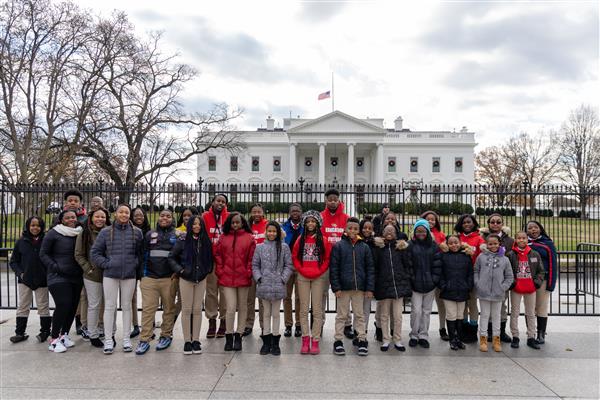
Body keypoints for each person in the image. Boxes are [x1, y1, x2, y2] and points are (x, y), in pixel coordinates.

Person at [91, 204, 143, 355]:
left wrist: (135, 265)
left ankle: (126, 339)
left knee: (127, 307)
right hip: (110, 275)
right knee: (110, 306)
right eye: (121, 212)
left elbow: (140, 253)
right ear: (115, 214)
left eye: (127, 212)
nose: (124, 215)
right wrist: (107, 264)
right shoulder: (106, 232)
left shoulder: (137, 232)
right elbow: (95, 252)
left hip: (129, 275)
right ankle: (108, 340)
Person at [134, 209, 178, 355]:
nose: (164, 218)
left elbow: (179, 256)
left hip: (169, 279)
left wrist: (176, 273)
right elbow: (142, 255)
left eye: (168, 216)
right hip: (150, 278)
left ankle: (166, 335)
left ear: (172, 219)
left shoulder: (177, 235)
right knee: (148, 310)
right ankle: (144, 339)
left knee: (169, 309)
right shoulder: (149, 234)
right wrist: (143, 275)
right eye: (162, 215)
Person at [168, 215, 213, 355]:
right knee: (187, 309)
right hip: (186, 279)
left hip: (201, 279)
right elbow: (171, 257)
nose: (196, 226)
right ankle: (187, 341)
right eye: (194, 224)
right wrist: (181, 271)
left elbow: (210, 259)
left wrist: (206, 271)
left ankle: (196, 340)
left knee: (198, 309)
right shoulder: (182, 240)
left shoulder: (206, 241)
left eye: (199, 224)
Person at [330, 217, 375, 356]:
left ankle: (361, 339)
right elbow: (334, 268)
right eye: (350, 228)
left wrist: (369, 288)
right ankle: (338, 340)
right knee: (342, 316)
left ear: (358, 230)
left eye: (355, 229)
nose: (352, 231)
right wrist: (336, 287)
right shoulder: (339, 246)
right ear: (345, 229)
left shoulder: (364, 247)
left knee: (359, 315)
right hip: (343, 288)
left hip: (359, 288)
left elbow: (370, 268)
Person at [40, 210, 83, 353]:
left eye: (73, 217)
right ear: (61, 220)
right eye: (68, 217)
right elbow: (43, 253)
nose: (71, 219)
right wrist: (55, 266)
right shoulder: (54, 233)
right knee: (63, 304)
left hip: (75, 276)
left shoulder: (79, 232)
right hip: (57, 276)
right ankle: (53, 340)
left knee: (72, 306)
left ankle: (64, 335)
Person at [215, 212, 256, 352]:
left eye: (238, 222)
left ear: (243, 223)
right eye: (233, 223)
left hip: (243, 277)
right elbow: (218, 255)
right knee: (230, 308)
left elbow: (252, 258)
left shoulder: (249, 238)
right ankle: (229, 335)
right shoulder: (223, 237)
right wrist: (220, 271)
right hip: (227, 278)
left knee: (243, 307)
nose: (235, 225)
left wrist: (248, 272)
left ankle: (239, 335)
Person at [252, 221, 294, 356]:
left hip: (278, 285)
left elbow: (288, 265)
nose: (271, 234)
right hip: (264, 285)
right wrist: (259, 278)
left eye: (274, 231)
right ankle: (266, 340)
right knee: (265, 313)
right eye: (269, 231)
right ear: (266, 232)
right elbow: (255, 265)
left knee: (276, 313)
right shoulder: (259, 247)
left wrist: (283, 279)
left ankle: (275, 341)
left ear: (278, 233)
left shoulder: (284, 247)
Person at [292, 210, 331, 355]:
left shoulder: (323, 240)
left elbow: (327, 258)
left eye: (313, 221)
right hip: (303, 277)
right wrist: (301, 269)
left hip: (318, 277)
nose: (310, 224)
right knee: (303, 309)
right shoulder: (300, 239)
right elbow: (295, 257)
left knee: (317, 309)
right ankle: (305, 338)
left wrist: (319, 271)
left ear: (317, 223)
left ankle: (315, 339)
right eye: (308, 221)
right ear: (304, 223)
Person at [9, 216, 50, 344]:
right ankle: (20, 333)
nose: (35, 228)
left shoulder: (46, 241)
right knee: (23, 306)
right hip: (25, 280)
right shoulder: (21, 242)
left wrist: (47, 273)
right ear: (28, 226)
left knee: (43, 306)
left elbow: (50, 259)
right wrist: (20, 273)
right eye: (32, 225)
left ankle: (44, 331)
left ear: (42, 227)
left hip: (42, 280)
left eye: (38, 225)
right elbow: (14, 261)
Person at [75, 208, 111, 348]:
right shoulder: (84, 234)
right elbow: (79, 254)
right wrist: (88, 269)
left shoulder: (111, 232)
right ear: (91, 218)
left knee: (107, 305)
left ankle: (104, 329)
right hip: (92, 275)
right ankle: (93, 334)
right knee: (94, 305)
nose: (100, 219)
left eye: (103, 216)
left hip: (109, 274)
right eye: (97, 216)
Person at [372, 225, 411, 352]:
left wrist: (405, 278)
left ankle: (397, 339)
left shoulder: (400, 248)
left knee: (398, 316)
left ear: (396, 233)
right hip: (383, 286)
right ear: (382, 233)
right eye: (387, 230)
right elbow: (375, 267)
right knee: (384, 315)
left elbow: (407, 265)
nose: (389, 232)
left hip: (398, 286)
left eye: (392, 231)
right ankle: (385, 339)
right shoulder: (378, 248)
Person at [474, 234, 513, 352]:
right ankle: (483, 339)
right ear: (487, 245)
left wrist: (503, 287)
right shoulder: (481, 257)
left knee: (496, 316)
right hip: (484, 293)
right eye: (490, 244)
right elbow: (476, 270)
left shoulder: (505, 259)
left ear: (499, 244)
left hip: (498, 293)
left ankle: (497, 340)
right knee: (485, 315)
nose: (493, 246)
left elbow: (509, 276)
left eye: (495, 243)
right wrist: (478, 283)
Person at [506, 231, 545, 350]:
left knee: (531, 313)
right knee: (515, 312)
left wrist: (536, 283)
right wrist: (512, 283)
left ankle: (531, 337)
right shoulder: (511, 254)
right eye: (519, 238)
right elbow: (507, 271)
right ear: (515, 240)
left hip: (530, 288)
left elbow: (541, 271)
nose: (522, 240)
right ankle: (515, 336)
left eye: (524, 238)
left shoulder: (534, 254)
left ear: (527, 239)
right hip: (516, 288)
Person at [480, 213, 514, 343]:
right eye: (492, 222)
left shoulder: (510, 241)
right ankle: (488, 332)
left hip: (501, 280)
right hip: (486, 280)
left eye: (498, 222)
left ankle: (500, 331)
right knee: (486, 309)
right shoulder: (482, 238)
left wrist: (507, 282)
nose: (495, 224)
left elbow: (512, 260)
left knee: (501, 307)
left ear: (502, 224)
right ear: (488, 223)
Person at [408, 219, 442, 349]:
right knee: (416, 311)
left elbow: (437, 265)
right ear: (415, 232)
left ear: (428, 231)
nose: (421, 233)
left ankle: (423, 335)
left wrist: (434, 280)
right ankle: (414, 335)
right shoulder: (410, 245)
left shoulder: (434, 246)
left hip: (430, 284)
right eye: (418, 230)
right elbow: (408, 264)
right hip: (415, 284)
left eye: (423, 230)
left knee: (426, 311)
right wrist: (411, 279)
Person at [454, 214, 485, 343]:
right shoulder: (457, 238)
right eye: (464, 222)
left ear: (474, 224)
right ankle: (462, 330)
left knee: (472, 304)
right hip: (458, 276)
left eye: (469, 222)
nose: (467, 224)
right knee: (462, 305)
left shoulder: (479, 239)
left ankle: (472, 331)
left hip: (472, 276)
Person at [439, 235, 474, 350]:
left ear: (460, 243)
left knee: (460, 316)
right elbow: (440, 273)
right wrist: (444, 286)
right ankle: (452, 339)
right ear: (447, 244)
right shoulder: (443, 256)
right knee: (451, 315)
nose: (454, 245)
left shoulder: (466, 256)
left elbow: (470, 273)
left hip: (462, 290)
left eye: (456, 242)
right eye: (451, 243)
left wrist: (468, 286)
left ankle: (459, 338)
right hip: (448, 291)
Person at [202, 194, 229, 339]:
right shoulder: (205, 217)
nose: (220, 203)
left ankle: (223, 321)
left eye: (223, 202)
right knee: (211, 292)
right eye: (218, 201)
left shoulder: (229, 217)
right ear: (212, 202)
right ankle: (212, 321)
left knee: (225, 292)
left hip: (225, 261)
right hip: (210, 260)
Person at [526, 220, 557, 345]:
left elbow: (553, 264)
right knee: (529, 308)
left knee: (541, 307)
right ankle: (531, 333)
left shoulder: (548, 244)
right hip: (526, 280)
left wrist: (551, 283)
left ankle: (541, 333)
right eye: (530, 228)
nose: (533, 230)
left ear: (540, 229)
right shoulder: (523, 243)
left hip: (542, 281)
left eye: (535, 227)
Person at [421, 210, 449, 341]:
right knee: (422, 307)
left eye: (433, 219)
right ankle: (421, 330)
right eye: (428, 219)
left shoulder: (441, 235)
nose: (430, 221)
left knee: (441, 304)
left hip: (439, 273)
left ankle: (442, 328)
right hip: (424, 274)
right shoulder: (419, 234)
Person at [244, 203, 268, 336]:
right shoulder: (247, 227)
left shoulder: (267, 225)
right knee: (249, 298)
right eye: (254, 212)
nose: (256, 214)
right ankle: (248, 324)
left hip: (264, 267)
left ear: (263, 213)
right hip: (250, 266)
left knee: (263, 299)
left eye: (259, 212)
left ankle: (264, 325)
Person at [281, 203, 303, 337]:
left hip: (300, 266)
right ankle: (288, 324)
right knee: (287, 297)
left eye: (298, 210)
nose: (295, 212)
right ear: (289, 212)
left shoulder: (306, 227)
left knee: (300, 298)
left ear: (301, 212)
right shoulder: (283, 227)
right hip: (287, 266)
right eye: (293, 210)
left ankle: (299, 324)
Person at [130, 206, 151, 339]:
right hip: (132, 267)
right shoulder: (129, 231)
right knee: (132, 298)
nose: (139, 217)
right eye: (136, 215)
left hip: (146, 268)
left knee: (148, 299)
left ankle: (149, 323)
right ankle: (135, 325)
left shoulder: (150, 232)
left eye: (141, 215)